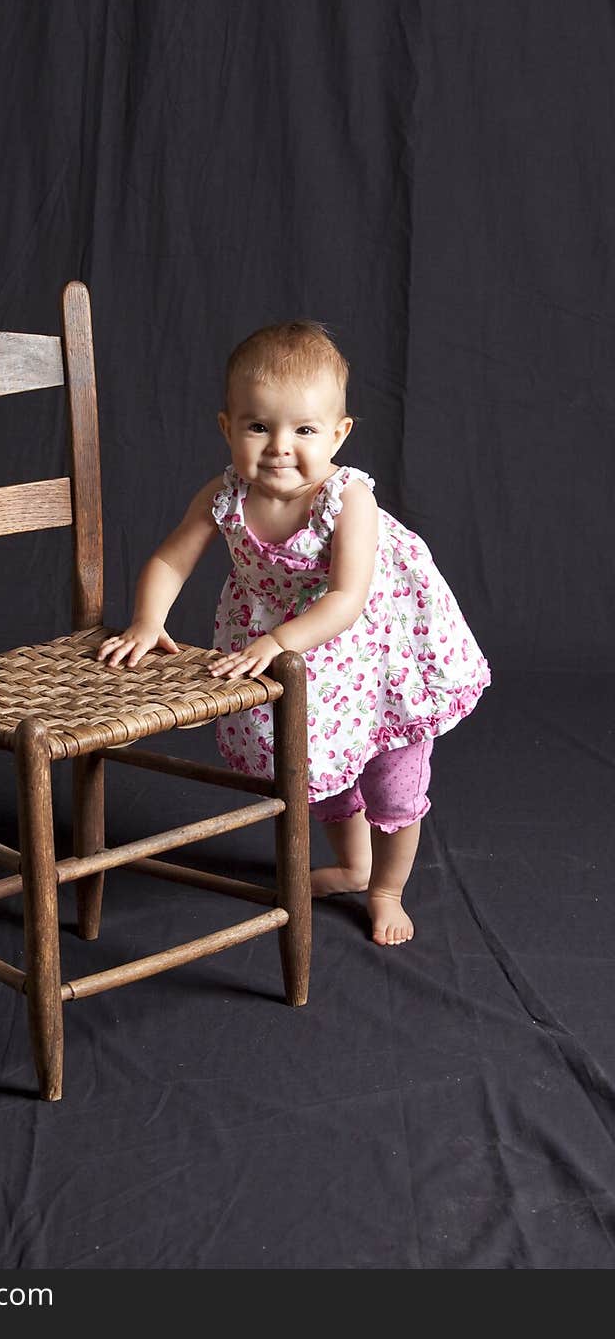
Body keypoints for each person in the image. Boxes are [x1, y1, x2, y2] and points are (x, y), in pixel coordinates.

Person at [96, 321, 490, 947]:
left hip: (376, 655)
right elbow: (171, 560)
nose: (280, 447)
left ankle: (385, 887)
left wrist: (279, 642)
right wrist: (149, 619)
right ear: (228, 428)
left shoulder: (345, 498)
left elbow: (346, 597)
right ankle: (353, 864)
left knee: (392, 777)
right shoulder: (224, 496)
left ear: (339, 434)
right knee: (310, 766)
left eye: (304, 430)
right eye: (259, 427)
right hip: (293, 656)